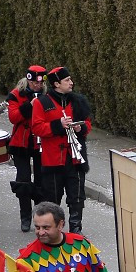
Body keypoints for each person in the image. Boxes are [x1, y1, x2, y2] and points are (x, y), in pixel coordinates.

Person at [31, 67, 91, 233]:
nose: (71, 83)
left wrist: (81, 128)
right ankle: (52, 230)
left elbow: (87, 123)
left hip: (75, 157)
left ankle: (76, 229)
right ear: (56, 84)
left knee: (77, 195)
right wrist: (59, 125)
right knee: (53, 197)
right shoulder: (41, 102)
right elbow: (36, 127)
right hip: (53, 158)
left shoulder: (78, 101)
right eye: (67, 80)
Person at [6, 65, 46, 232]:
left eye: (40, 83)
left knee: (41, 181)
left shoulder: (46, 94)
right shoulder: (16, 95)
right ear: (28, 80)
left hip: (39, 142)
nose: (38, 86)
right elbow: (13, 118)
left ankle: (40, 217)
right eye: (35, 82)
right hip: (21, 142)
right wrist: (30, 105)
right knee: (23, 180)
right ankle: (25, 216)